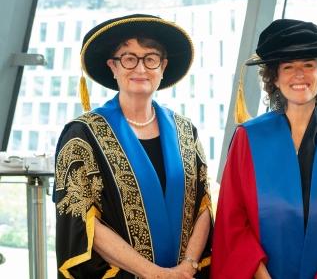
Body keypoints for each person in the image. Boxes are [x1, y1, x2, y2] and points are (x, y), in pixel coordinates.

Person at [211, 19, 317, 279]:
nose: (299, 75)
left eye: (309, 65)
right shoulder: (248, 139)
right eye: (288, 67)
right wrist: (258, 272)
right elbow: (232, 218)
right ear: (274, 78)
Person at [53, 14, 212, 279]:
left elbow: (203, 206)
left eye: (150, 59)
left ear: (163, 67)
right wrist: (154, 274)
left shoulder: (185, 131)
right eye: (128, 58)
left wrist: (188, 266)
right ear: (113, 67)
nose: (140, 69)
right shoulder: (83, 135)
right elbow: (82, 219)